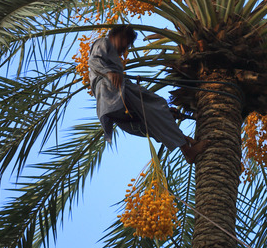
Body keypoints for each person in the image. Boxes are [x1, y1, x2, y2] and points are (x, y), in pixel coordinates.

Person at [88, 24, 210, 164]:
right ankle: (187, 149)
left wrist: (117, 75)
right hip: (114, 92)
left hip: (110, 102)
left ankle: (186, 143)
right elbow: (93, 61)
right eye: (125, 43)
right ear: (117, 36)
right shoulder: (104, 42)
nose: (125, 48)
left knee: (153, 120)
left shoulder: (113, 57)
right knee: (159, 105)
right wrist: (109, 73)